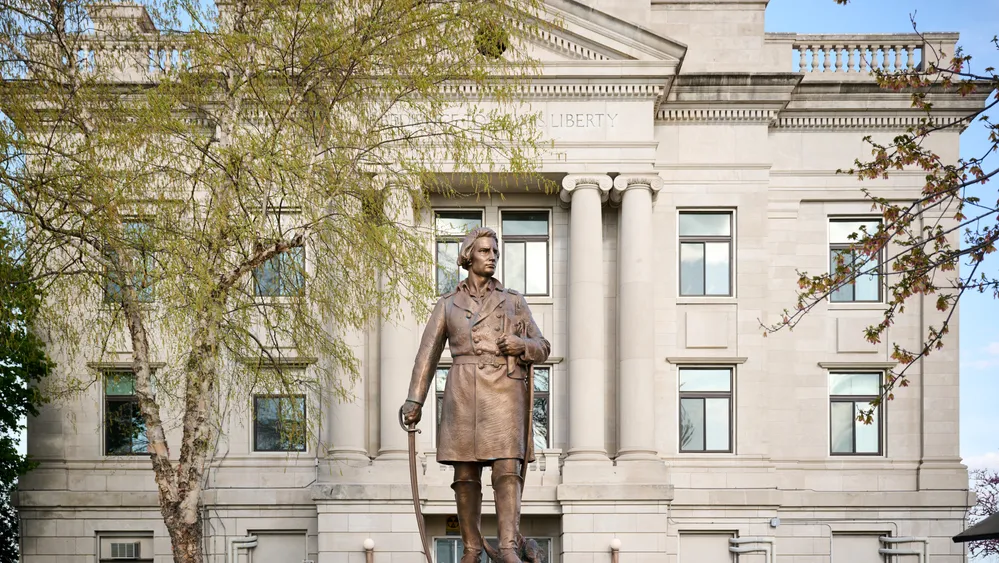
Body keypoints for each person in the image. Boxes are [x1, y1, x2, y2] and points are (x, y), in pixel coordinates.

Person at [401, 226, 550, 563]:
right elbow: (427, 355)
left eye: (495, 251)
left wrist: (521, 345)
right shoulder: (448, 304)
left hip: (505, 391)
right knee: (465, 474)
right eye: (484, 251)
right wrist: (415, 400)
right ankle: (471, 548)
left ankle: (508, 547)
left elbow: (542, 347)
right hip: (464, 391)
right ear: (468, 257)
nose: (492, 257)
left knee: (507, 468)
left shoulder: (513, 301)